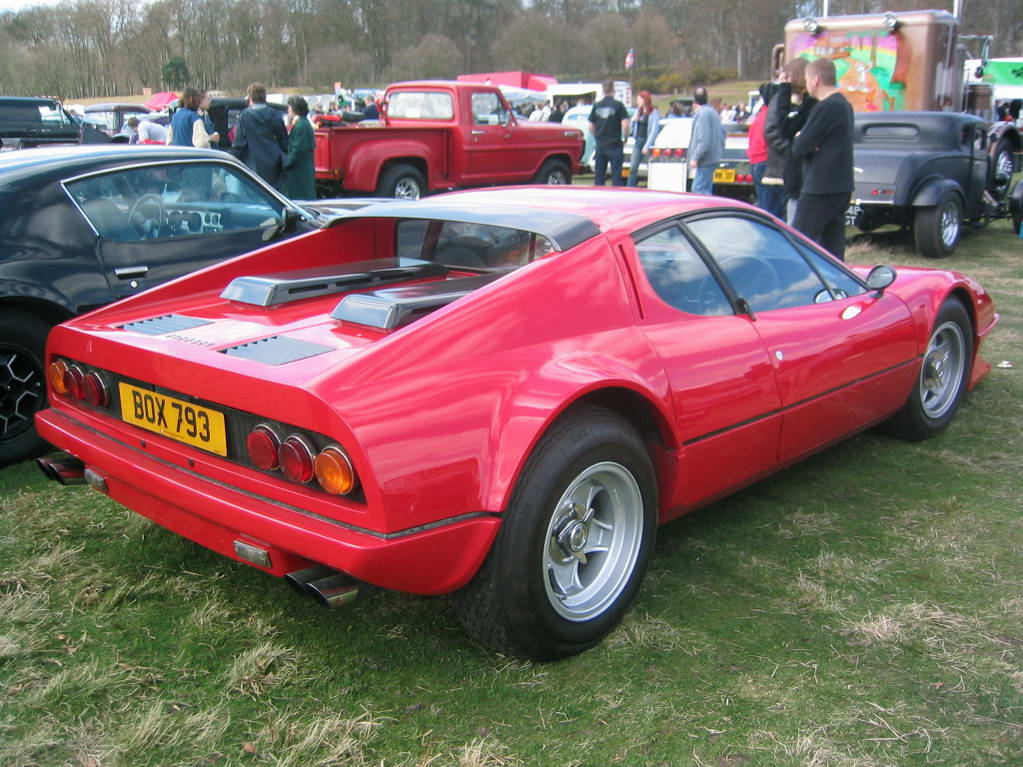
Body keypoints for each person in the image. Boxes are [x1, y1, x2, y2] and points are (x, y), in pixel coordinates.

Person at [791, 57, 854, 260]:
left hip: (821, 187)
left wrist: (800, 137)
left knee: (797, 243)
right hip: (841, 185)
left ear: (816, 79)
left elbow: (800, 147)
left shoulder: (826, 107)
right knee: (832, 249)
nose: (807, 84)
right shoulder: (844, 105)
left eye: (808, 79)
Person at [765, 58, 817, 223]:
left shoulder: (807, 102)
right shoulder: (781, 100)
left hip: (797, 171)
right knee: (780, 218)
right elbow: (771, 131)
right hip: (781, 169)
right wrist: (793, 149)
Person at [233, 82, 289, 190]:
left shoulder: (245, 116)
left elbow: (239, 144)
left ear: (250, 97)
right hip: (274, 164)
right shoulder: (275, 115)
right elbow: (284, 141)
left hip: (253, 165)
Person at [588, 79, 630, 186]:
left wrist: (597, 136)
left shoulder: (596, 106)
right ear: (613, 90)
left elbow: (590, 125)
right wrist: (625, 137)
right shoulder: (618, 105)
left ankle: (599, 197)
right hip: (615, 144)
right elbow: (625, 124)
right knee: (616, 175)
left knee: (599, 176)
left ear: (603, 90)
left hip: (601, 144)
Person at [688, 87, 724, 195]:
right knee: (706, 189)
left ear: (694, 101)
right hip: (713, 157)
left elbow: (703, 139)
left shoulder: (702, 114)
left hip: (705, 159)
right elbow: (722, 134)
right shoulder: (713, 113)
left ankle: (714, 209)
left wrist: (695, 158)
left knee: (698, 189)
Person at [283, 96, 316, 201]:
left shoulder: (301, 126)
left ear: (294, 108)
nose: (288, 110)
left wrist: (284, 164)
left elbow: (296, 151)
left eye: (289, 107)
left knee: (300, 201)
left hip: (299, 173)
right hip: (303, 171)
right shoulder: (303, 123)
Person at [627, 90, 660, 187]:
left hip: (647, 141)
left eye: (639, 99)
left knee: (649, 167)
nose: (637, 101)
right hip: (638, 140)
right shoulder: (639, 111)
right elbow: (632, 128)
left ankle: (651, 186)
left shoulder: (653, 113)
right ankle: (630, 187)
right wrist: (633, 121)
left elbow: (654, 131)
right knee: (633, 167)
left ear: (644, 99)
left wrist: (647, 146)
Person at [746, 85, 770, 211]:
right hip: (764, 159)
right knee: (770, 205)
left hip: (754, 160)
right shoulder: (772, 114)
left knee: (763, 201)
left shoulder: (760, 114)